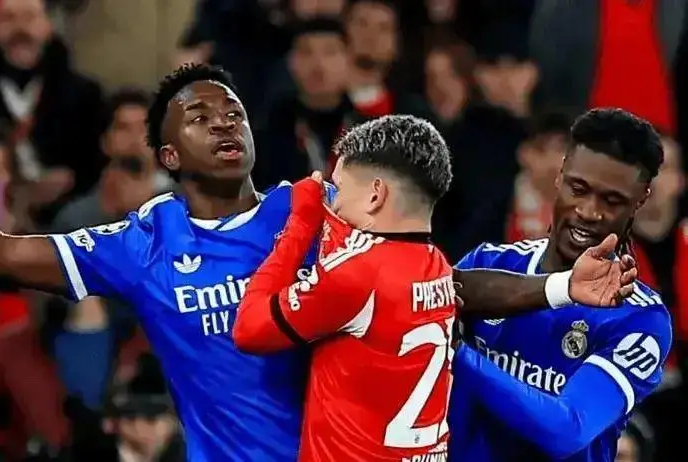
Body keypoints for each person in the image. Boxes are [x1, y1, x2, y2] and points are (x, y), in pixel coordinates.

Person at [0, 64, 633, 461]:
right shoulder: (143, 243)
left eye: (233, 112)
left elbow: (437, 286)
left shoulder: (318, 210)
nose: (224, 123)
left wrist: (559, 286)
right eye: (200, 118)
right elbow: (1, 251)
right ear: (168, 154)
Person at [233, 115, 635, 461]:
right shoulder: (436, 268)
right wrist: (565, 286)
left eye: (340, 188)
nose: (332, 204)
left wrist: (300, 224)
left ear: (375, 194)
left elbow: (249, 329)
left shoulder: (357, 275)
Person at [451, 108, 672, 461]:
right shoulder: (489, 263)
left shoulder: (639, 319)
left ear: (641, 200)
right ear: (561, 173)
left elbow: (567, 428)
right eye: (578, 189)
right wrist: (561, 288)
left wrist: (457, 353)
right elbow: (427, 297)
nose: (589, 211)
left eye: (612, 200)